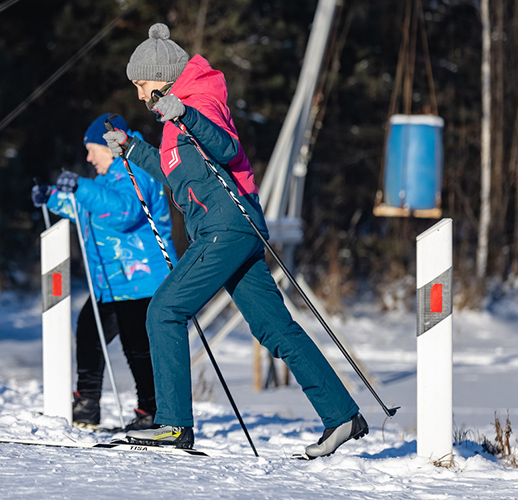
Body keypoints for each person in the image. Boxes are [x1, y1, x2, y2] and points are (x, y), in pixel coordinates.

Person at [103, 23, 367, 457]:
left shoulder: (199, 99)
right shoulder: (172, 119)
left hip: (227, 225)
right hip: (228, 229)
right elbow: (175, 172)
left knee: (165, 310)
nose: (138, 95)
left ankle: (173, 425)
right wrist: (132, 148)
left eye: (141, 84)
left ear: (163, 77)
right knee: (273, 327)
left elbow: (225, 148)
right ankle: (341, 415)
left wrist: (185, 114)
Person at [32, 113, 177, 430]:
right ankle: (87, 403)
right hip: (111, 283)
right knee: (88, 333)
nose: (88, 157)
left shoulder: (136, 171)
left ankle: (152, 411)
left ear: (108, 147)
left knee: (137, 346)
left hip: (143, 280)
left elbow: (124, 212)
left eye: (91, 149)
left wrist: (81, 187)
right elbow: (88, 211)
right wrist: (54, 198)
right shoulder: (105, 182)